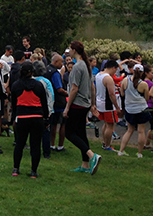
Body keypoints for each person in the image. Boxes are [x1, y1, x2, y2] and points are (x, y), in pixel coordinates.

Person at [63, 41, 102, 175]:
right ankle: (85, 165)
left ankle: (92, 156)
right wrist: (92, 103)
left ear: (74, 50)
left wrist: (67, 107)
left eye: (70, 49)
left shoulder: (77, 67)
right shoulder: (86, 65)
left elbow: (74, 88)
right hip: (85, 104)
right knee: (81, 133)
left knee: (69, 133)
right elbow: (92, 86)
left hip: (77, 104)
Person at [11, 62, 49, 178]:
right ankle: (33, 171)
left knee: (19, 144)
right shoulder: (38, 85)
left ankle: (16, 169)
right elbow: (44, 103)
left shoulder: (16, 85)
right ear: (32, 72)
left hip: (22, 118)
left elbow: (14, 105)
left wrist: (13, 119)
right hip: (37, 118)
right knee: (35, 145)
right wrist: (46, 118)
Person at [117, 64, 152, 158]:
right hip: (141, 109)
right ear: (142, 73)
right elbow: (147, 98)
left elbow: (122, 93)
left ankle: (121, 150)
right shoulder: (144, 84)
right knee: (141, 131)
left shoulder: (125, 80)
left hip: (129, 109)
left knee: (129, 130)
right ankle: (139, 153)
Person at [95, 60, 123, 151]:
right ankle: (107, 145)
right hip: (108, 105)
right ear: (113, 68)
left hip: (99, 101)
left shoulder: (99, 75)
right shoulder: (108, 78)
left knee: (106, 124)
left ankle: (105, 142)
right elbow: (111, 94)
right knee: (110, 125)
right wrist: (117, 107)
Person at [44, 54, 67, 152]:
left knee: (52, 123)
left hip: (49, 100)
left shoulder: (46, 69)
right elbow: (59, 89)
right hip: (59, 102)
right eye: (61, 62)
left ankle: (51, 144)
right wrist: (68, 93)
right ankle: (60, 145)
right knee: (62, 123)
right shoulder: (55, 73)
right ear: (56, 61)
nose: (62, 64)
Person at [32, 60, 54, 160]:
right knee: (46, 132)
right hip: (44, 110)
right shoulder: (46, 82)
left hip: (32, 110)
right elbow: (51, 96)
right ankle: (46, 153)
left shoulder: (29, 81)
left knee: (33, 132)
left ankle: (34, 150)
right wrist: (49, 110)